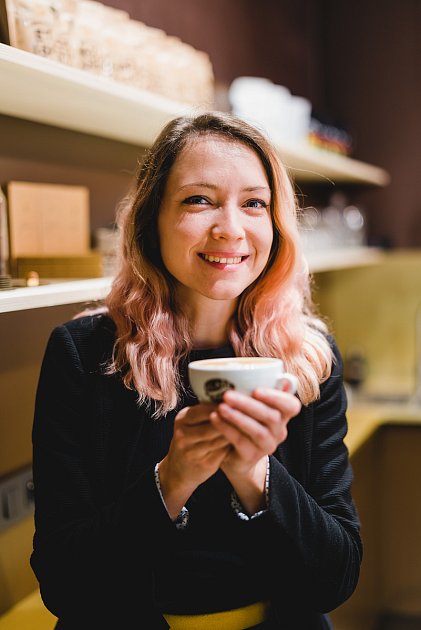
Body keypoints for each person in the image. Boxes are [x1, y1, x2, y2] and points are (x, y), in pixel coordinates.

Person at [30, 111, 362, 630]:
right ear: (150, 220)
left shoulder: (308, 358)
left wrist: (258, 476)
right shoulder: (87, 354)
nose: (230, 229)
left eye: (254, 203)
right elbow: (65, 582)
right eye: (198, 200)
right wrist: (172, 479)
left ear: (275, 225)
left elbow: (334, 579)